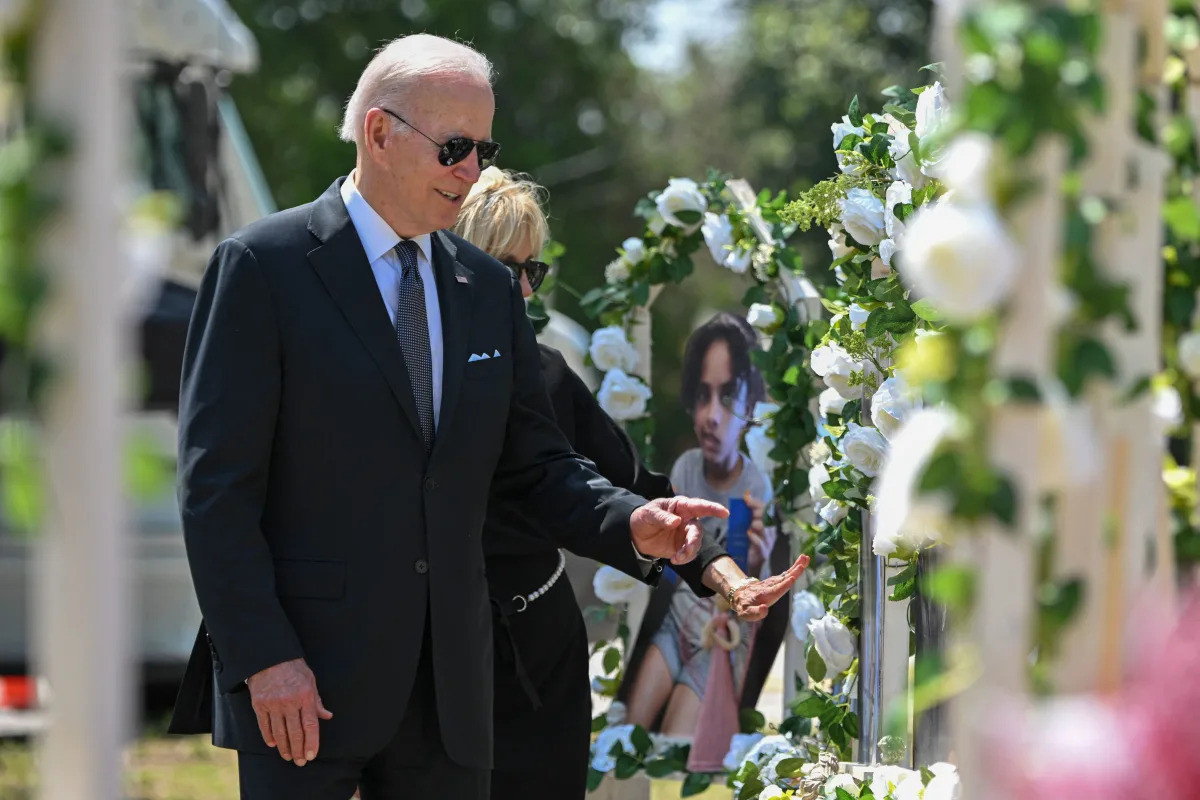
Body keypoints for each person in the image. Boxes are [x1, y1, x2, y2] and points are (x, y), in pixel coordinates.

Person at [166, 34, 732, 800]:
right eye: (455, 148)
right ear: (378, 133)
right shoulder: (262, 267)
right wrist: (265, 657)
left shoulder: (485, 289)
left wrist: (632, 523)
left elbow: (538, 466)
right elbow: (216, 492)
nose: (472, 171)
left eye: (483, 147)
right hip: (303, 689)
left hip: (454, 699)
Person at [451, 168, 810, 799]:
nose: (523, 292)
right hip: (432, 648)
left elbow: (638, 488)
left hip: (537, 651)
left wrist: (729, 580)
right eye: (506, 270)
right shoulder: (405, 367)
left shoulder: (549, 376)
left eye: (532, 273)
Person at [622, 312, 778, 743]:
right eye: (702, 395)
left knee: (676, 744)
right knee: (625, 736)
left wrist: (761, 557)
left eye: (728, 396)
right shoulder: (686, 467)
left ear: (750, 406)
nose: (712, 416)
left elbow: (759, 599)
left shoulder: (758, 485)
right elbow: (668, 569)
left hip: (722, 640)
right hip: (676, 624)